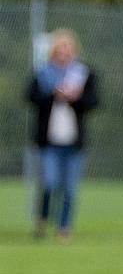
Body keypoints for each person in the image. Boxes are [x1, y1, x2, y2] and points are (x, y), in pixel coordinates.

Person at [26, 28, 99, 240]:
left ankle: (64, 228)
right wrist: (53, 94)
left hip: (73, 142)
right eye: (61, 49)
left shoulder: (83, 74)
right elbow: (30, 97)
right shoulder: (43, 74)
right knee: (50, 183)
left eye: (69, 49)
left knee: (69, 188)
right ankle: (42, 219)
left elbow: (94, 102)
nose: (65, 53)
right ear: (53, 51)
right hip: (49, 141)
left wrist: (75, 98)